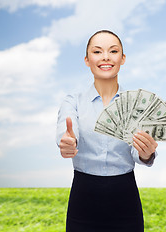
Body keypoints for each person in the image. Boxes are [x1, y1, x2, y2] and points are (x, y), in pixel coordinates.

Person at [56, 30, 158, 232]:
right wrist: (68, 142)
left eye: (113, 51)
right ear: (87, 60)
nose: (105, 57)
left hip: (125, 198)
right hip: (83, 198)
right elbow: (67, 132)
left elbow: (137, 152)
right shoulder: (73, 101)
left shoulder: (136, 104)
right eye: (97, 52)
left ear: (123, 58)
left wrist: (146, 153)